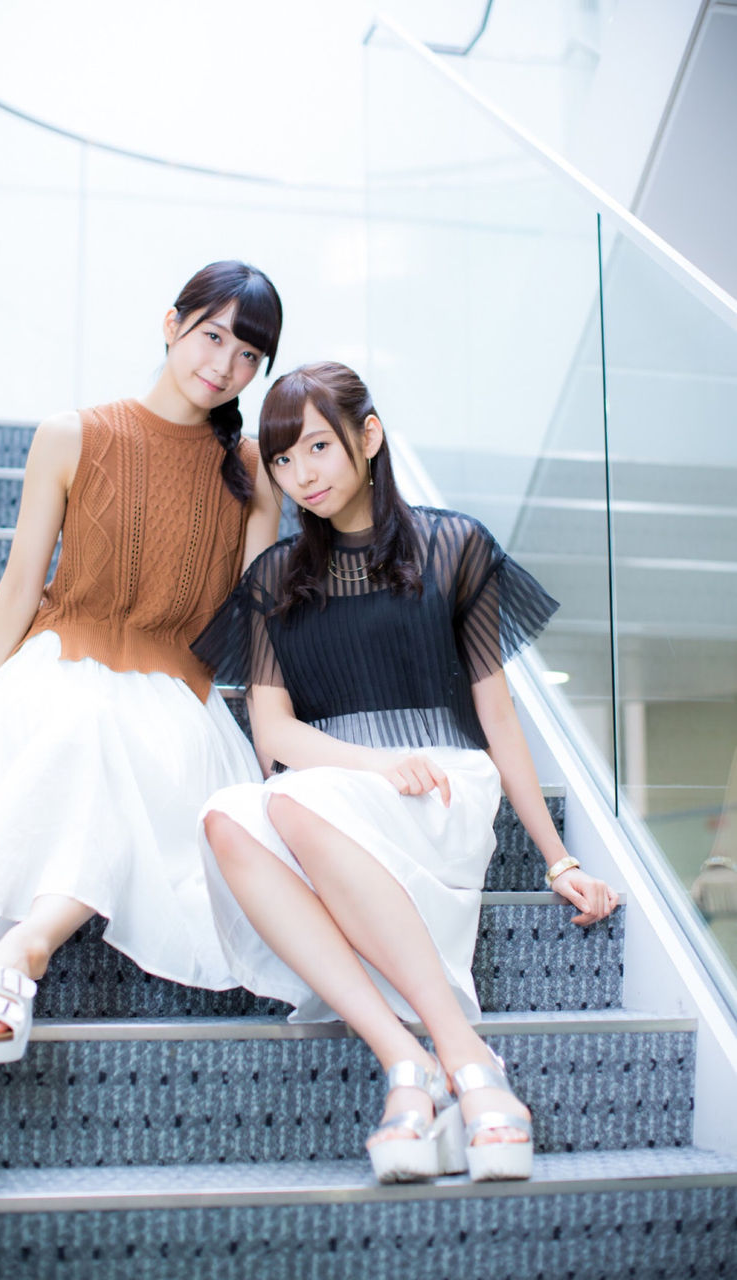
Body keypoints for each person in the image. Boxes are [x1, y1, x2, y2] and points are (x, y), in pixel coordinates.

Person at [193, 361, 620, 1184]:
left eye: (318, 447)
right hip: (336, 788)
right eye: (282, 459)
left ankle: (465, 1055)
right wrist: (377, 764)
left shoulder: (455, 546)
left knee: (290, 804)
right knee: (226, 818)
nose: (301, 474)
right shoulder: (276, 578)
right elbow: (273, 733)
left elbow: (499, 716)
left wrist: (558, 858)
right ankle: (407, 1059)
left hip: (441, 786)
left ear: (370, 435)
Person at [0, 259, 283, 1064]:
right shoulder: (72, 435)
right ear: (171, 325)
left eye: (248, 355)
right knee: (83, 716)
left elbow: (264, 628)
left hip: (175, 695)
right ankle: (0, 949)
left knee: (104, 728)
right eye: (212, 337)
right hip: (55, 668)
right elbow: (18, 588)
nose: (224, 366)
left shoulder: (251, 476)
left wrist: (279, 748)